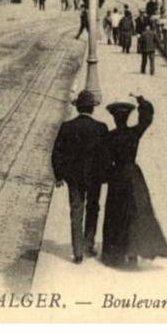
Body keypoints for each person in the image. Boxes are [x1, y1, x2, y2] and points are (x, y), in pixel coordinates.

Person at [101, 96, 167, 267]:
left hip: (117, 176)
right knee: (136, 211)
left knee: (116, 213)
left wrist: (106, 176)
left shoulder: (110, 136)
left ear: (115, 119)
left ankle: (116, 254)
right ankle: (133, 254)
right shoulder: (134, 133)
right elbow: (147, 119)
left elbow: (104, 160)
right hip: (133, 175)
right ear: (127, 118)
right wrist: (143, 102)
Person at [51, 89, 109, 264]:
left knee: (76, 210)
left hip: (74, 178)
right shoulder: (101, 128)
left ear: (78, 108)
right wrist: (105, 176)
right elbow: (106, 155)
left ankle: (77, 252)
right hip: (94, 178)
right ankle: (89, 245)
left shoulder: (67, 127)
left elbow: (56, 153)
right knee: (93, 209)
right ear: (92, 109)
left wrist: (59, 176)